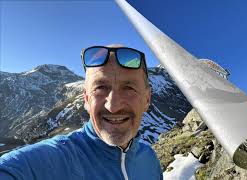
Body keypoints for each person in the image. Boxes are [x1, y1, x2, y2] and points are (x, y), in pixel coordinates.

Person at [0, 44, 163, 180]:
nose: (113, 106)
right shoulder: (54, 160)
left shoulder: (149, 160)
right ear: (86, 99)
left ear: (147, 99)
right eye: (100, 88)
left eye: (128, 88)